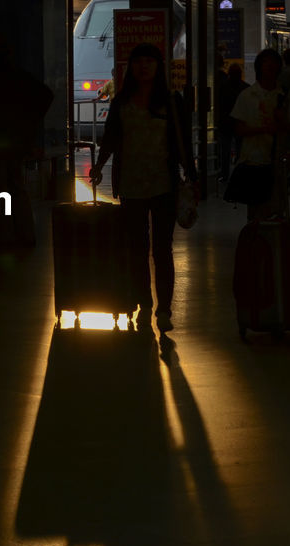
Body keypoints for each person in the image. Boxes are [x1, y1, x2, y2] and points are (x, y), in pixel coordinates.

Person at [89, 42, 197, 335]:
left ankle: (164, 308)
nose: (144, 66)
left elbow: (183, 141)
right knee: (137, 248)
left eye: (149, 61)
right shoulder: (121, 102)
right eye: (138, 61)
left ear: (158, 67)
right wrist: (98, 166)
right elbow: (111, 139)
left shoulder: (172, 102)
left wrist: (192, 174)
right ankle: (144, 301)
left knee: (162, 249)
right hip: (131, 184)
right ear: (131, 68)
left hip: (164, 183)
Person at [0, 33, 54, 247]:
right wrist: (29, 124)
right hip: (18, 141)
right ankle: (26, 234)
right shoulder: (20, 76)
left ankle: (5, 235)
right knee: (18, 188)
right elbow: (45, 95)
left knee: (1, 188)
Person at [227, 48, 290, 221]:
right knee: (256, 211)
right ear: (259, 68)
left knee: (276, 208)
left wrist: (280, 123)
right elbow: (238, 129)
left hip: (277, 160)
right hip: (253, 161)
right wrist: (266, 129)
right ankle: (258, 245)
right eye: (267, 63)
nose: (271, 67)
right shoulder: (247, 96)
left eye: (274, 64)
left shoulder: (285, 96)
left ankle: (270, 244)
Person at [215, 61, 248, 181]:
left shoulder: (222, 87)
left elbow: (219, 106)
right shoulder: (245, 88)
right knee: (240, 151)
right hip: (240, 123)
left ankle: (225, 174)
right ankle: (239, 174)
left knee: (225, 151)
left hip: (225, 124)